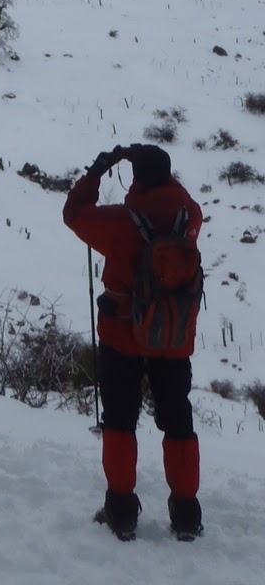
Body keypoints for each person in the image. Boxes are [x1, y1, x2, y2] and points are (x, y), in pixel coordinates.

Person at [63, 141, 203, 541]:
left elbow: (73, 214)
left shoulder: (121, 222)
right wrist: (153, 171)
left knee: (120, 422)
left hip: (122, 339)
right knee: (179, 424)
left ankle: (121, 512)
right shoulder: (189, 216)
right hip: (173, 341)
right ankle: (187, 515)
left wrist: (97, 171)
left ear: (137, 178)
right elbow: (180, 198)